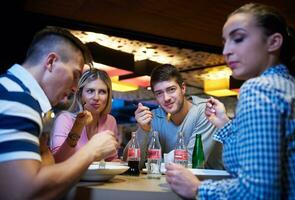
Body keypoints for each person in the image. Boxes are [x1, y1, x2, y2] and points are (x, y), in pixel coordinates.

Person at [166, 3, 295, 199]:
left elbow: (258, 192)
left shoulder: (259, 89)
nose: (226, 51)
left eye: (238, 38)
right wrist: (224, 125)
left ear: (273, 42)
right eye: (225, 42)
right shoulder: (289, 85)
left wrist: (197, 188)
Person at [0, 26, 118, 200]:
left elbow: (47, 164)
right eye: (75, 75)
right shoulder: (17, 98)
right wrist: (92, 151)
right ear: (51, 62)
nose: (74, 87)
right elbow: (24, 194)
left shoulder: (13, 89)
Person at [125, 64, 223, 169]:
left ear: (183, 88)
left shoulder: (205, 111)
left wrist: (153, 162)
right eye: (159, 93)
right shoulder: (153, 117)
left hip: (211, 182)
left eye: (171, 89)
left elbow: (192, 163)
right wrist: (143, 130)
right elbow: (130, 163)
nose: (166, 98)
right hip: (166, 182)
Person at [50, 68, 120, 162]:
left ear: (108, 95)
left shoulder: (110, 121)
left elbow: (111, 159)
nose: (96, 97)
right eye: (90, 91)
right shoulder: (65, 119)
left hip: (101, 177)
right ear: (80, 95)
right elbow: (58, 160)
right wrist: (78, 126)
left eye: (102, 92)